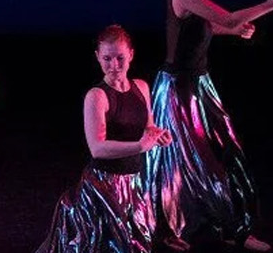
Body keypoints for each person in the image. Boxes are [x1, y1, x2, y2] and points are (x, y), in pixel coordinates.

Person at [144, 0, 273, 252]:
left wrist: (233, 31)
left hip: (198, 86)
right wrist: (270, 4)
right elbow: (225, 17)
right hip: (179, 90)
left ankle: (232, 228)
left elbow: (208, 27)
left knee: (222, 155)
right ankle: (170, 228)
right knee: (182, 163)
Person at [36, 25, 174, 253]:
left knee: (139, 244)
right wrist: (140, 146)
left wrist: (157, 134)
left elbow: (147, 126)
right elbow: (97, 148)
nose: (114, 66)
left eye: (120, 58)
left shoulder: (141, 87)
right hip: (105, 186)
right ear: (98, 58)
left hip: (136, 184)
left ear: (131, 54)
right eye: (107, 59)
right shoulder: (97, 96)